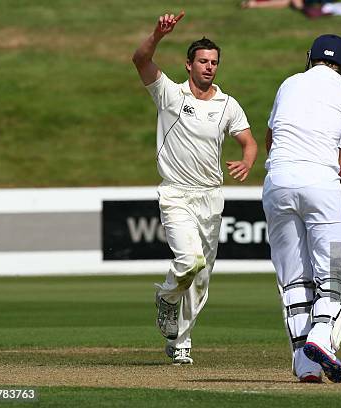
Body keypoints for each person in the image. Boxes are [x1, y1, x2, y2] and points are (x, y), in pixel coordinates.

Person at [132, 11, 257, 365]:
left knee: (201, 280)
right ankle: (167, 297)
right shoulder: (169, 94)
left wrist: (247, 161)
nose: (209, 67)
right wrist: (157, 34)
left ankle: (181, 342)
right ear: (188, 65)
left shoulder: (227, 104)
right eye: (202, 61)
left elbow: (248, 141)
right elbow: (140, 59)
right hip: (176, 193)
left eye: (214, 62)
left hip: (211, 197)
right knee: (188, 262)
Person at [262, 34, 341, 383]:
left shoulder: (288, 84)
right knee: (336, 273)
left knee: (294, 278)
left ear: (310, 58)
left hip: (277, 180)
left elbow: (271, 137)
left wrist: (284, 172)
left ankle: (305, 366)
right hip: (321, 181)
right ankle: (321, 337)